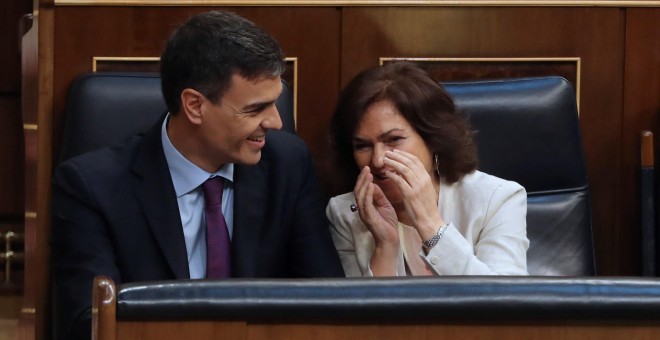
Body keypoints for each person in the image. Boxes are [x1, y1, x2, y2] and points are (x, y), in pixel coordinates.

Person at [51, 11, 344, 340]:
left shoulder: (288, 166)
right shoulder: (92, 188)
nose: (275, 122)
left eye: (275, 103)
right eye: (255, 109)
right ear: (194, 105)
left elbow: (326, 303)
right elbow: (90, 325)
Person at [327, 62, 528, 277]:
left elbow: (504, 302)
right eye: (363, 146)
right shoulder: (344, 213)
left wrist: (430, 225)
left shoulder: (497, 200)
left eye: (394, 140)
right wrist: (384, 247)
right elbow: (356, 309)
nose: (377, 160)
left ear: (433, 139)